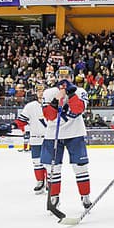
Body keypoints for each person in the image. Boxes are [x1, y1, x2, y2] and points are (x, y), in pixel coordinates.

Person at [41, 67, 92, 210]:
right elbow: (49, 116)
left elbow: (78, 109)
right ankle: (54, 197)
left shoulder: (81, 91)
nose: (64, 79)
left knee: (80, 167)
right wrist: (56, 99)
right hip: (53, 136)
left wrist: (70, 92)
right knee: (53, 168)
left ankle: (85, 196)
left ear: (72, 77)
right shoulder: (49, 92)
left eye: (67, 76)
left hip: (75, 134)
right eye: (61, 76)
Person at [14, 84, 47, 194]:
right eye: (38, 90)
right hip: (35, 139)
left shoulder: (52, 105)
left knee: (49, 163)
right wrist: (12, 127)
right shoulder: (30, 106)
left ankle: (50, 183)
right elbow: (21, 121)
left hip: (49, 139)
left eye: (42, 90)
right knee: (37, 162)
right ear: (35, 92)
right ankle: (40, 181)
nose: (40, 92)